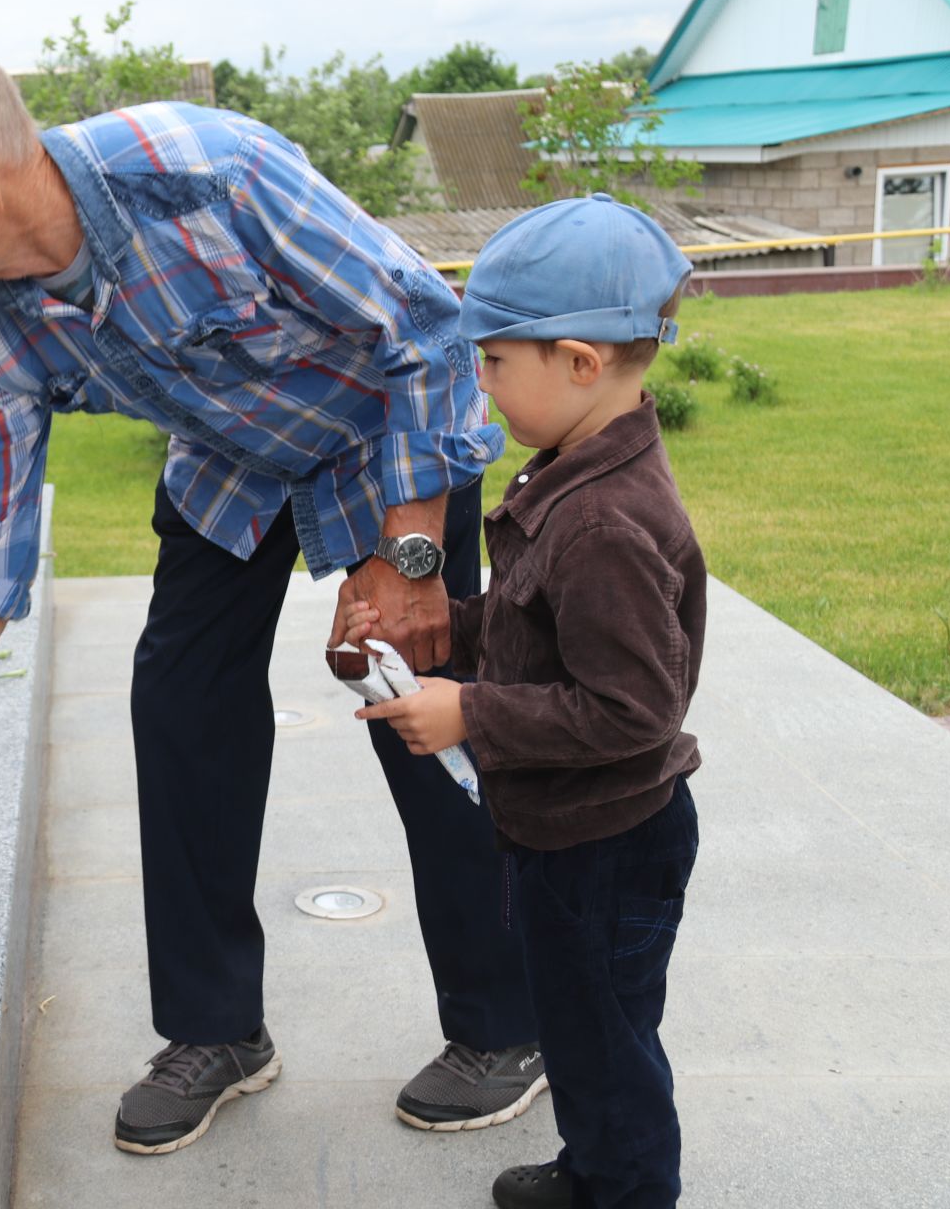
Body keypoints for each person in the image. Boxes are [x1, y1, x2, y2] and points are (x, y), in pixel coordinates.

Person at [0, 20, 544, 1153]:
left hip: (384, 445)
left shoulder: (207, 173)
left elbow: (424, 328)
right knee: (179, 706)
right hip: (230, 467)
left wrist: (410, 556)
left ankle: (504, 1024)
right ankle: (216, 1031)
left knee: (424, 711)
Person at [350, 194, 705, 1208]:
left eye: (494, 360)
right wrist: (447, 630)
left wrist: (472, 713)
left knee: (607, 1037)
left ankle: (625, 1185)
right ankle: (593, 1165)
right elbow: (536, 616)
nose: (481, 382)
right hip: (569, 830)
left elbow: (632, 708)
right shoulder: (574, 474)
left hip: (609, 840)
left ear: (580, 362)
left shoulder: (602, 521)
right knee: (582, 1022)